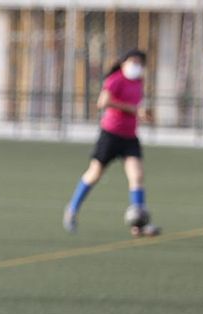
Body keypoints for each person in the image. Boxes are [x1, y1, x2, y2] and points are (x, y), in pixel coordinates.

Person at [63, 48, 160, 237]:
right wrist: (132, 109)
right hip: (111, 134)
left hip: (130, 136)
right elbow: (103, 101)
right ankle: (72, 209)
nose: (136, 66)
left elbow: (137, 107)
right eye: (133, 61)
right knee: (95, 173)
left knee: (137, 176)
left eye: (140, 63)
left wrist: (143, 114)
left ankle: (138, 224)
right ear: (123, 62)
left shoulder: (139, 81)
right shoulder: (116, 79)